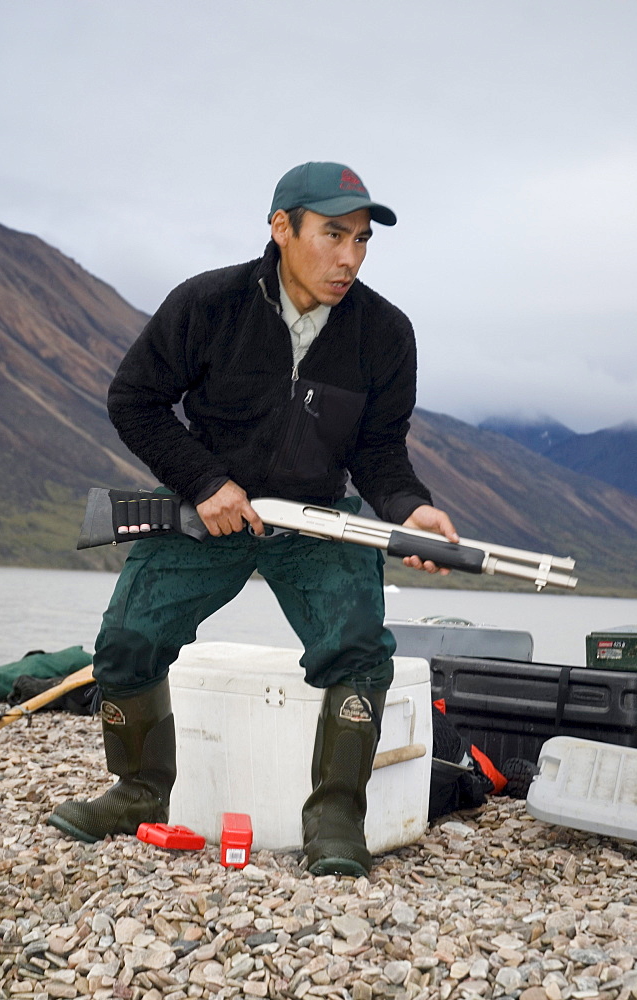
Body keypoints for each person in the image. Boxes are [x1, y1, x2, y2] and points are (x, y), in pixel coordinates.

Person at [48, 161, 459, 877]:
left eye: (362, 240)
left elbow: (379, 453)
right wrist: (204, 482)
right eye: (333, 234)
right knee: (127, 641)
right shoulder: (207, 304)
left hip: (317, 521)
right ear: (281, 228)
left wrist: (407, 509)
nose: (348, 257)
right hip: (211, 512)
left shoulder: (384, 332)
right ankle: (139, 793)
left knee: (358, 653)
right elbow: (133, 400)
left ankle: (335, 819)